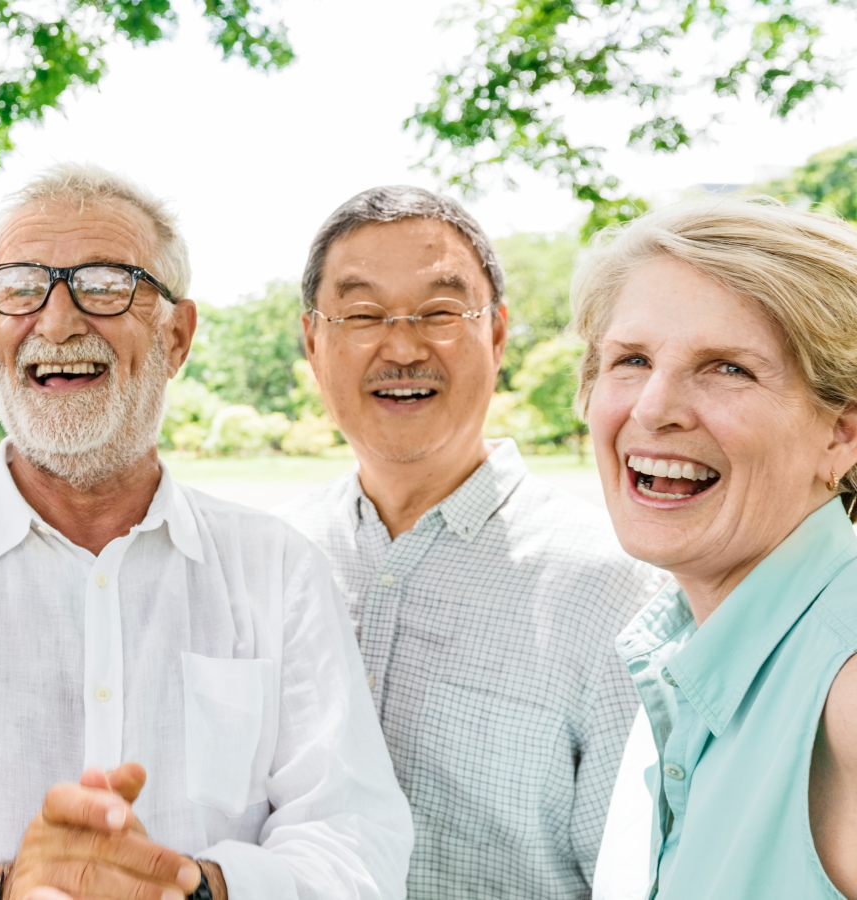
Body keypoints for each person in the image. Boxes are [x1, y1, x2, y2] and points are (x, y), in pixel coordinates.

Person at [0, 164, 414, 900]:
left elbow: (355, 838)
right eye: (23, 287)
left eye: (104, 283)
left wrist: (190, 888)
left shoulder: (276, 569)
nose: (56, 323)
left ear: (177, 337)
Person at [272, 186, 666, 899]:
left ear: (497, 334)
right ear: (312, 341)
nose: (402, 346)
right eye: (362, 315)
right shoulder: (275, 560)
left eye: (441, 312)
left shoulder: (610, 586)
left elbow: (638, 881)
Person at [573, 198, 857, 898]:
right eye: (631, 359)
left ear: (842, 434)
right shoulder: (683, 649)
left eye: (728, 367)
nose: (652, 408)